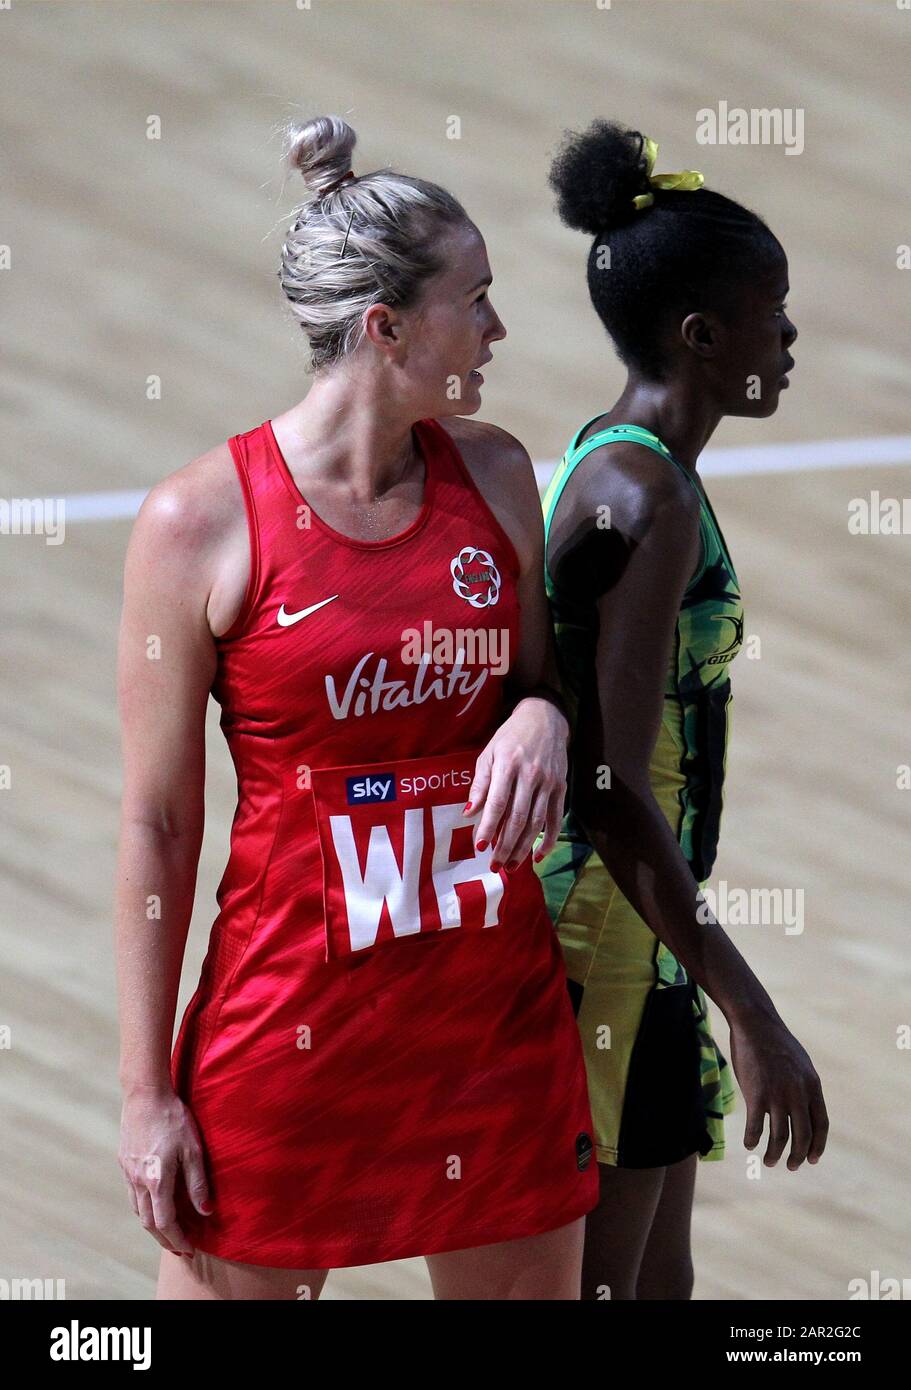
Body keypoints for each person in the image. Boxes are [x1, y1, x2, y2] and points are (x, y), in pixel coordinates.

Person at [115, 115, 598, 1302]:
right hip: (288, 1033)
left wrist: (544, 716)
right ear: (385, 326)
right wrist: (146, 1092)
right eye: (473, 300)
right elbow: (157, 826)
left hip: (488, 1025)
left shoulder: (494, 477)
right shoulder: (199, 525)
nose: (496, 329)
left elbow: (538, 687)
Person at [533, 121, 829, 1300]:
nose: (791, 335)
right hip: (600, 938)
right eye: (774, 309)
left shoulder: (627, 462)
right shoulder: (641, 490)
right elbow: (603, 787)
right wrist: (751, 1012)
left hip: (641, 934)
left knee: (659, 1288)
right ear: (702, 337)